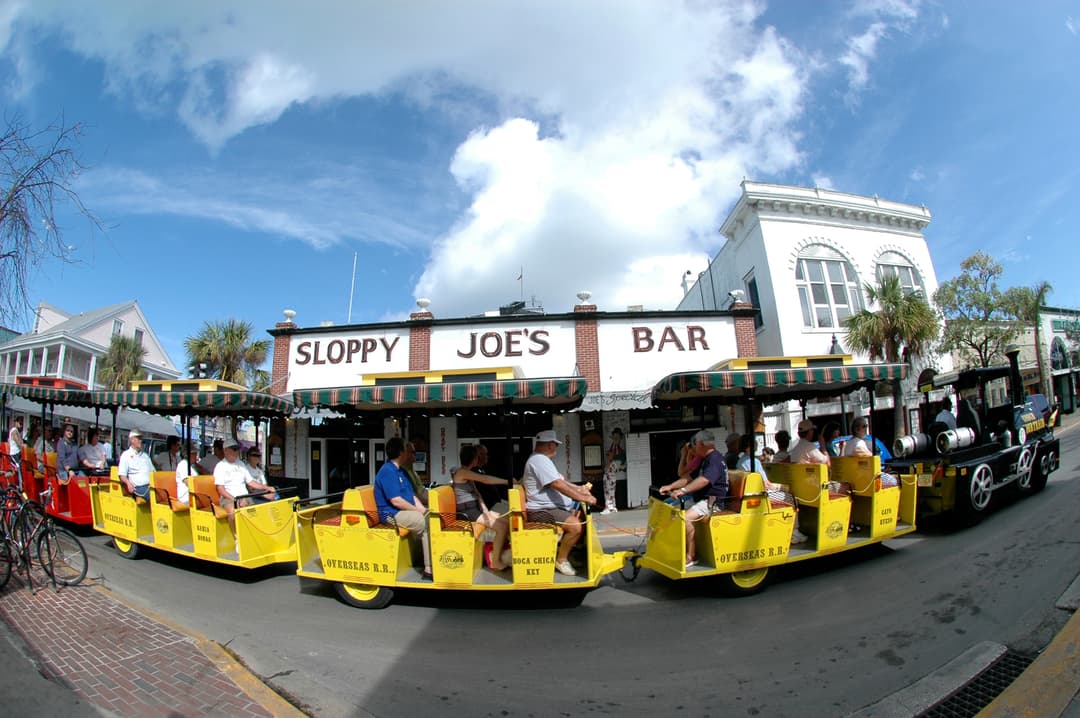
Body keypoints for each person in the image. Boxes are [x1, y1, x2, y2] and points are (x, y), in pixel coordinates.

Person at [522, 429, 597, 577]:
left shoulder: (541, 460)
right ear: (550, 445)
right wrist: (583, 498)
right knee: (575, 527)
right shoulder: (539, 460)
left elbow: (561, 481)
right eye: (556, 445)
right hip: (542, 510)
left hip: (551, 508)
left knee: (581, 517)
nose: (556, 448)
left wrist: (579, 489)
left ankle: (569, 554)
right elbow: (557, 484)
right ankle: (561, 560)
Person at [658, 429, 728, 567]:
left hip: (712, 503)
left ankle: (691, 556)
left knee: (685, 518)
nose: (694, 448)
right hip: (700, 500)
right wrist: (670, 486)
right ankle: (676, 548)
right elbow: (689, 478)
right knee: (671, 511)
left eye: (695, 444)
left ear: (701, 444)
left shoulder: (715, 459)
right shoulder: (705, 459)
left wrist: (683, 491)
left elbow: (704, 480)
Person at [373, 436, 432, 580]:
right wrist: (419, 512)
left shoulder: (401, 471)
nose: (408, 453)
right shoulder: (387, 471)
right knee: (426, 523)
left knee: (431, 517)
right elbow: (396, 501)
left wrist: (424, 510)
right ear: (400, 453)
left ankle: (423, 557)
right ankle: (429, 569)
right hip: (391, 515)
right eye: (406, 450)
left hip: (402, 511)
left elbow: (412, 496)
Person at [449, 444, 511, 571]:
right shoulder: (462, 472)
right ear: (474, 459)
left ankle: (498, 553)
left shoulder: (467, 473)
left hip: (474, 508)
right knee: (501, 527)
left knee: (507, 521)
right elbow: (485, 479)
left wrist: (486, 511)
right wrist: (507, 481)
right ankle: (495, 562)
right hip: (467, 511)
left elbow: (477, 494)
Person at [736, 434, 807, 544]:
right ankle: (794, 532)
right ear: (749, 445)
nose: (756, 443)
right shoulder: (754, 461)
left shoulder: (741, 461)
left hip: (751, 493)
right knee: (792, 498)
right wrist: (781, 487)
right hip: (761, 494)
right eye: (754, 442)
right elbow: (766, 484)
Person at [214, 441, 278, 546]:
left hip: (245, 496)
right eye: (233, 449)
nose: (236, 452)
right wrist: (236, 499)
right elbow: (220, 489)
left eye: (236, 449)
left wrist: (266, 487)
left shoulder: (241, 464)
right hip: (228, 497)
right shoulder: (220, 466)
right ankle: (237, 538)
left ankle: (256, 537)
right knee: (232, 513)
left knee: (257, 512)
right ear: (225, 450)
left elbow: (251, 482)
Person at [117, 430, 154, 501]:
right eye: (138, 438)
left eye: (141, 439)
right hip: (138, 488)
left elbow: (153, 471)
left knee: (165, 493)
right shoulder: (126, 455)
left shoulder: (145, 456)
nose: (140, 441)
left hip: (150, 486)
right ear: (132, 440)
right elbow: (122, 475)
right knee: (155, 496)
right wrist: (128, 484)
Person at [603, 428, 626, 514]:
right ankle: (612, 507)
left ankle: (609, 507)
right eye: (614, 437)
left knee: (609, 491)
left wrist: (610, 463)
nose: (615, 438)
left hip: (610, 475)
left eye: (617, 437)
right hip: (610, 475)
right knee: (610, 491)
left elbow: (613, 463)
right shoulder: (614, 449)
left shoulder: (618, 452)